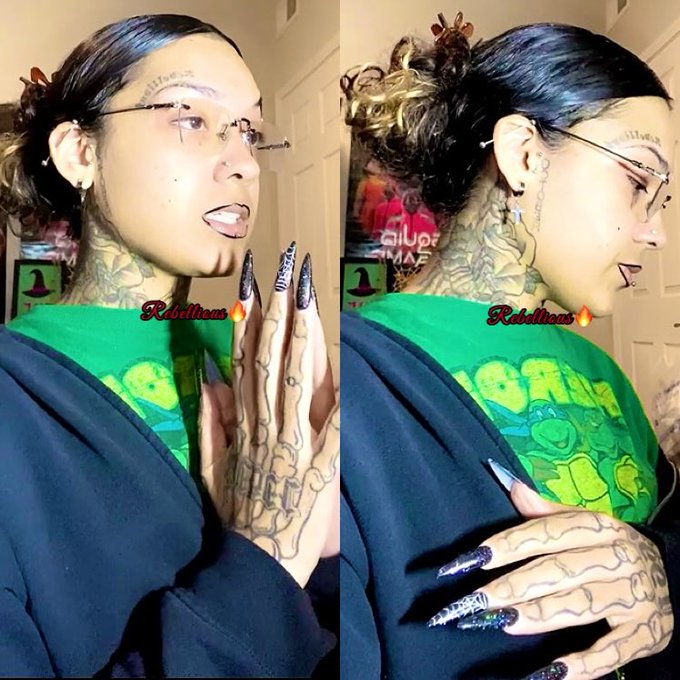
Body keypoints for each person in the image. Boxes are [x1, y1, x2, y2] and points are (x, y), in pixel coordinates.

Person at [340, 11, 678, 680]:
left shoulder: (602, 372)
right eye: (639, 181)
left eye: (662, 200)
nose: (656, 233)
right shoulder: (354, 371)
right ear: (524, 155)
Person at [0, 13, 338, 677]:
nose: (243, 163)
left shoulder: (260, 358)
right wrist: (263, 557)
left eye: (251, 131)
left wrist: (332, 549)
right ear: (80, 153)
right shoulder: (17, 389)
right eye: (191, 118)